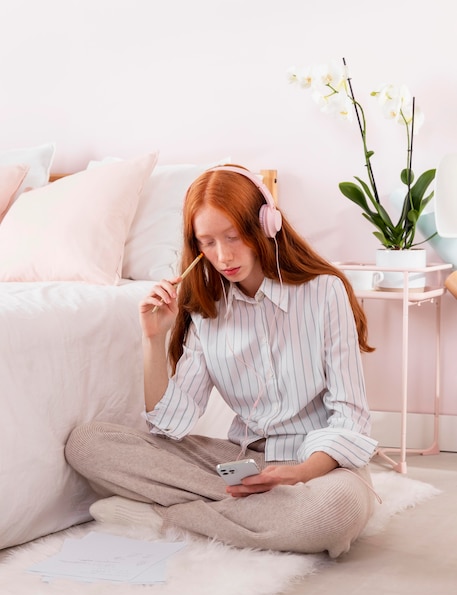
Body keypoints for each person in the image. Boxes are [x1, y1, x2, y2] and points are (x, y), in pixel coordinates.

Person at [65, 164, 379, 558]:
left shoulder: (324, 292)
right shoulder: (208, 310)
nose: (223, 255)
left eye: (233, 236)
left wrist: (299, 474)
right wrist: (154, 338)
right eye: (208, 242)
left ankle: (165, 517)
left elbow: (350, 415)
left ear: (264, 226)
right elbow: (169, 423)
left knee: (331, 515)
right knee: (87, 444)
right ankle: (253, 513)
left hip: (318, 463)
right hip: (240, 459)